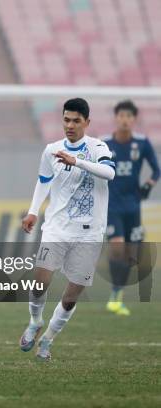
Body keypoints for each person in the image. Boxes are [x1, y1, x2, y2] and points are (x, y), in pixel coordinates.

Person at [20, 98, 115, 361]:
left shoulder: (98, 148)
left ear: (87, 122)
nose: (70, 125)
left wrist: (77, 162)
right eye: (66, 120)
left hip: (89, 233)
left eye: (75, 120)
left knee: (71, 297)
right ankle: (35, 321)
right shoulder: (51, 150)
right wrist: (32, 211)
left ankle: (48, 340)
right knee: (40, 282)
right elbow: (43, 180)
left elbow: (110, 173)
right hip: (56, 228)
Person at [102, 100, 159, 316]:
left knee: (131, 256)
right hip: (112, 205)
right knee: (117, 247)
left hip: (133, 207)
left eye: (129, 116)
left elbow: (156, 170)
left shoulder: (142, 143)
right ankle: (115, 296)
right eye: (121, 116)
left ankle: (116, 296)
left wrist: (148, 185)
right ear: (116, 118)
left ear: (134, 120)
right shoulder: (104, 144)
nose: (125, 120)